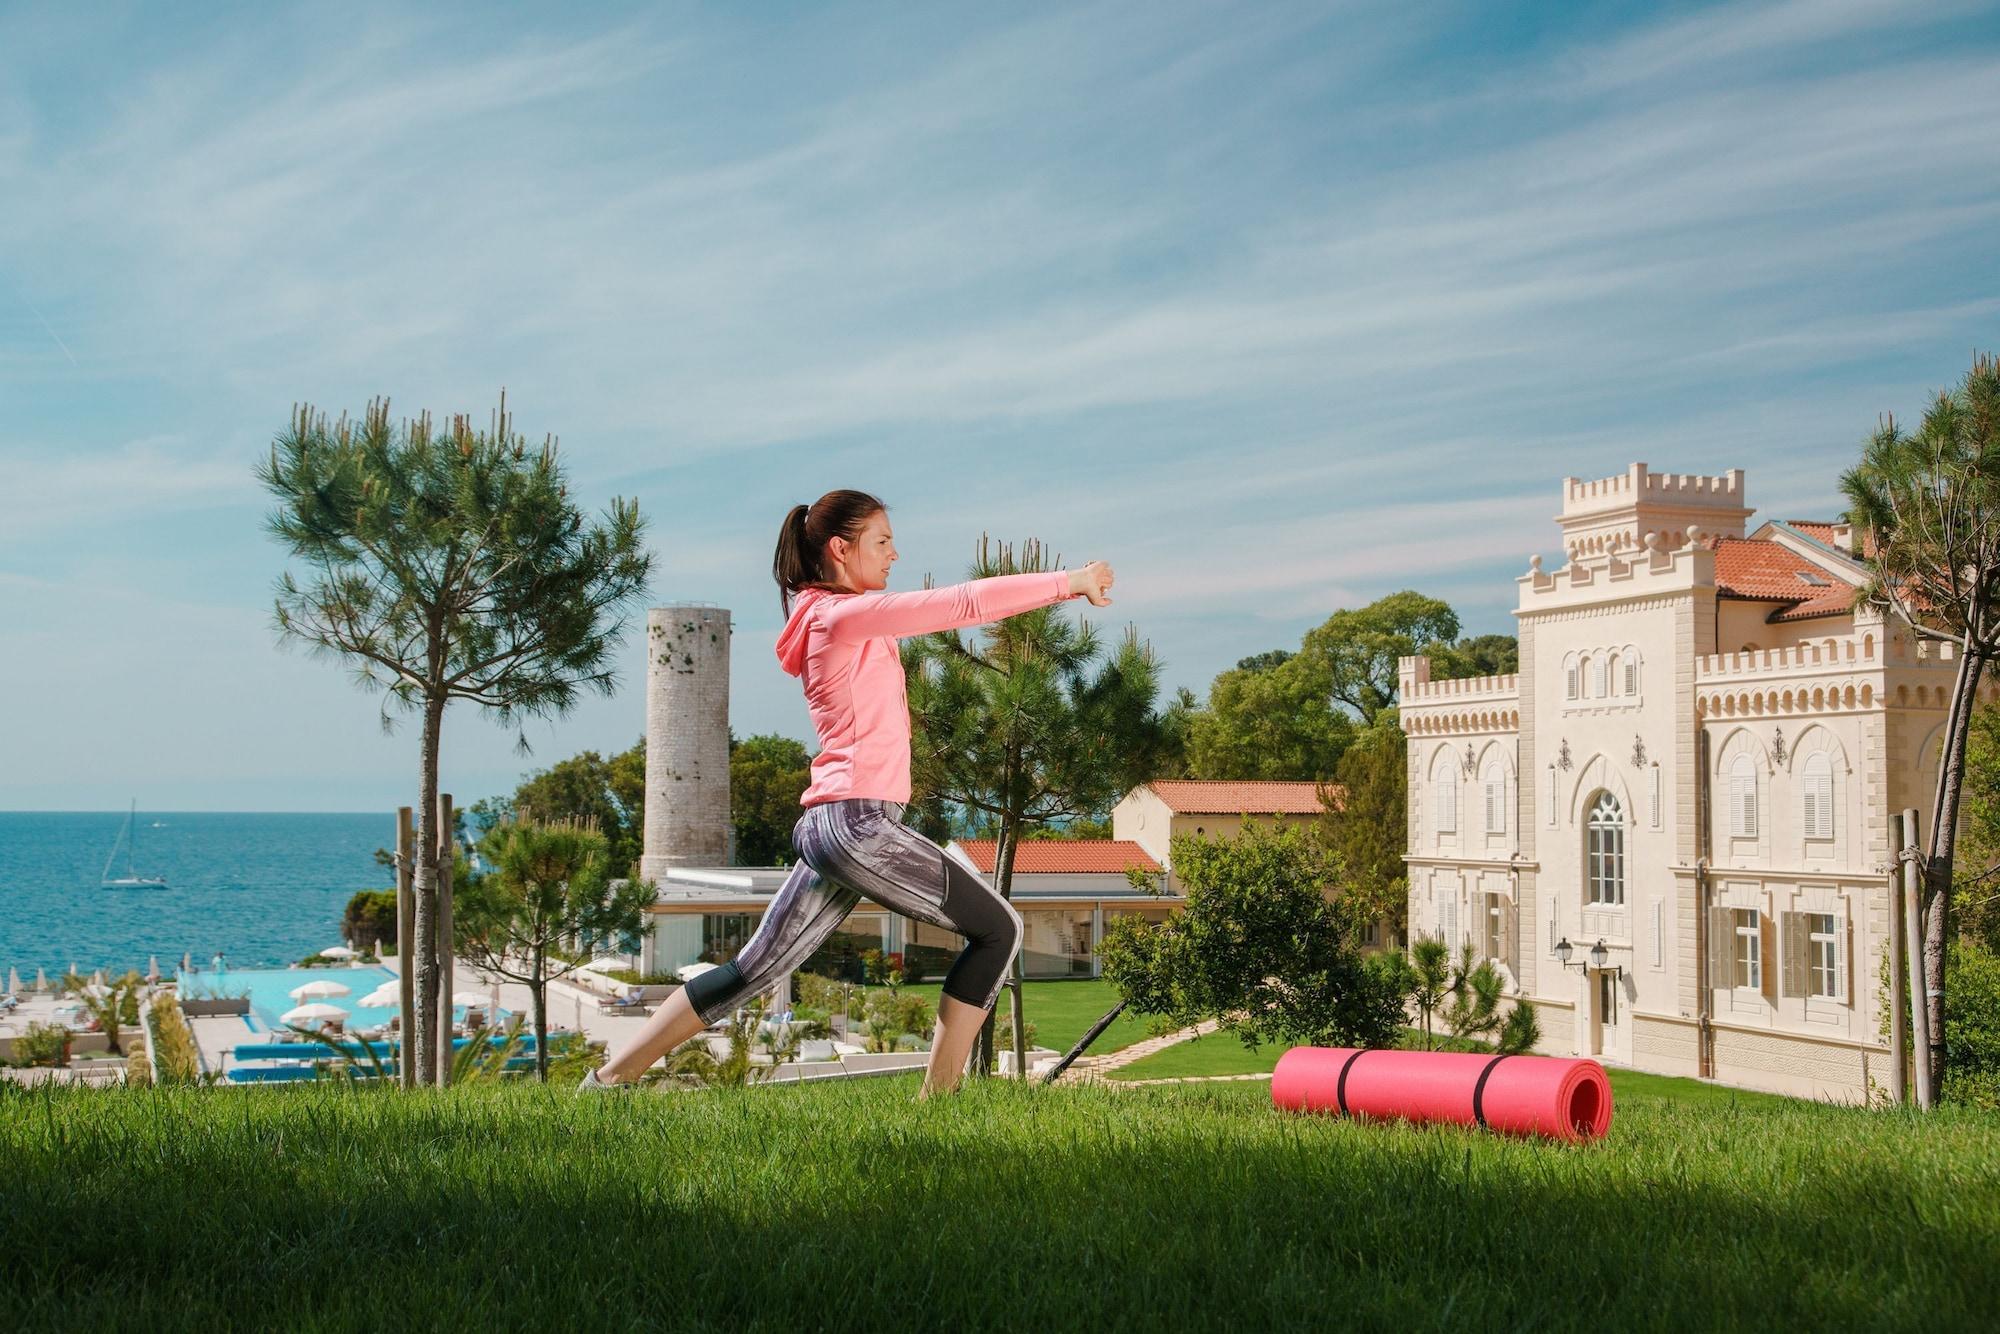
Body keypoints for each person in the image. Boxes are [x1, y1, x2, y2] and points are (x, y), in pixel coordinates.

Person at [582, 488, 1113, 1097]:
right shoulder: (839, 615)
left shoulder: (830, 617)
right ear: (841, 548)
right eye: (881, 541)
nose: (893, 554)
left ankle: (608, 1079)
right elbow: (963, 603)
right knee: (999, 929)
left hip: (833, 825)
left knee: (752, 971)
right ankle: (940, 1105)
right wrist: (1070, 581)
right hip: (856, 825)